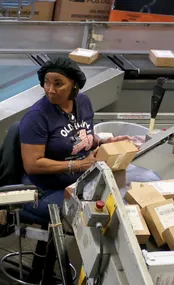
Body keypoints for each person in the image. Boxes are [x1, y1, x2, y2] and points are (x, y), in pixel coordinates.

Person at [19, 57, 130, 222]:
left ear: (74, 85)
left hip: (82, 179)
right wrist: (78, 165)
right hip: (47, 189)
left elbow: (80, 136)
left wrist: (102, 143)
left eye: (58, 84)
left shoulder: (83, 102)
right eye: (46, 82)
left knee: (121, 199)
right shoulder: (36, 117)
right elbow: (32, 165)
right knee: (97, 213)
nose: (50, 90)